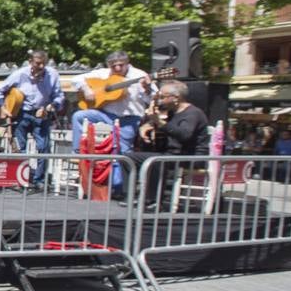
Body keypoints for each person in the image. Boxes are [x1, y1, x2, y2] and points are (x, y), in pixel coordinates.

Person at [71, 51, 152, 194]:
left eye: (121, 65)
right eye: (114, 66)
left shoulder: (139, 75)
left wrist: (147, 89)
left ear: (127, 63)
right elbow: (76, 79)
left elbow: (151, 100)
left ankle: (120, 186)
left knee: (123, 151)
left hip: (129, 119)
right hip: (106, 115)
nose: (118, 69)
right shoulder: (103, 73)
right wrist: (86, 89)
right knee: (79, 116)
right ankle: (79, 151)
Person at [128, 79, 210, 209]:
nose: (159, 100)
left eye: (162, 97)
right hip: (172, 154)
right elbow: (165, 125)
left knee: (156, 161)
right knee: (129, 158)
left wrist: (160, 123)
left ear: (176, 98)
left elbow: (184, 135)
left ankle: (154, 201)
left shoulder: (192, 113)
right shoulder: (172, 112)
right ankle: (129, 195)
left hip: (191, 156)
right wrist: (148, 125)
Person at [0, 50, 64, 190]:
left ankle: (39, 180)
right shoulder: (20, 74)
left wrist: (51, 106)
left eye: (44, 63)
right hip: (22, 113)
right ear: (31, 62)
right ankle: (21, 179)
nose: (41, 67)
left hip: (42, 114)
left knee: (43, 148)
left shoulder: (52, 75)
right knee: (21, 147)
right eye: (38, 63)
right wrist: (2, 106)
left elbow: (59, 96)